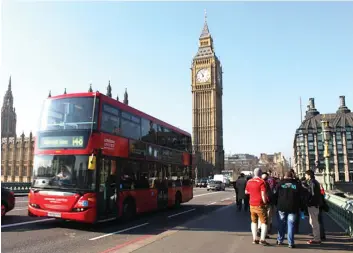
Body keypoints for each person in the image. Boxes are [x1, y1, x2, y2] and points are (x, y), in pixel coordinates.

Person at [275, 171, 304, 248]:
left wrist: (275, 204)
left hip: (281, 206)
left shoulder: (280, 184)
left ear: (285, 176)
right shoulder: (297, 185)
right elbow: (301, 196)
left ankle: (280, 240)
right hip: (293, 207)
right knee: (291, 225)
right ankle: (290, 243)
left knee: (281, 223)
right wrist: (301, 207)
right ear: (292, 176)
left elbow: (276, 195)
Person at [245, 168, 269, 246]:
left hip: (252, 204)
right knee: (264, 222)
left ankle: (255, 239)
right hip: (260, 204)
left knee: (254, 221)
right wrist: (265, 202)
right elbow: (263, 194)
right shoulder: (262, 182)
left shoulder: (249, 181)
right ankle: (262, 239)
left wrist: (252, 192)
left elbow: (246, 191)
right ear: (260, 174)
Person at [303, 170, 322, 245]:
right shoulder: (314, 182)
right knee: (312, 221)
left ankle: (317, 239)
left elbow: (312, 194)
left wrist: (308, 201)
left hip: (313, 204)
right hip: (314, 204)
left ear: (309, 175)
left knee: (314, 222)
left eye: (306, 175)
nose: (305, 176)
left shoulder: (312, 183)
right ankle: (316, 236)